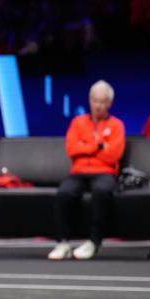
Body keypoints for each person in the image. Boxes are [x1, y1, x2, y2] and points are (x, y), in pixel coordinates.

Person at [49, 80, 125, 261]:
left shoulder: (117, 125)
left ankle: (93, 241)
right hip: (79, 171)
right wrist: (98, 145)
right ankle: (63, 242)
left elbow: (113, 156)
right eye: (94, 101)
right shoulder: (77, 123)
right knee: (64, 193)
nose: (98, 105)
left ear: (109, 104)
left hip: (105, 172)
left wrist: (85, 145)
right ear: (89, 101)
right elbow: (71, 149)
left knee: (102, 191)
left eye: (102, 101)